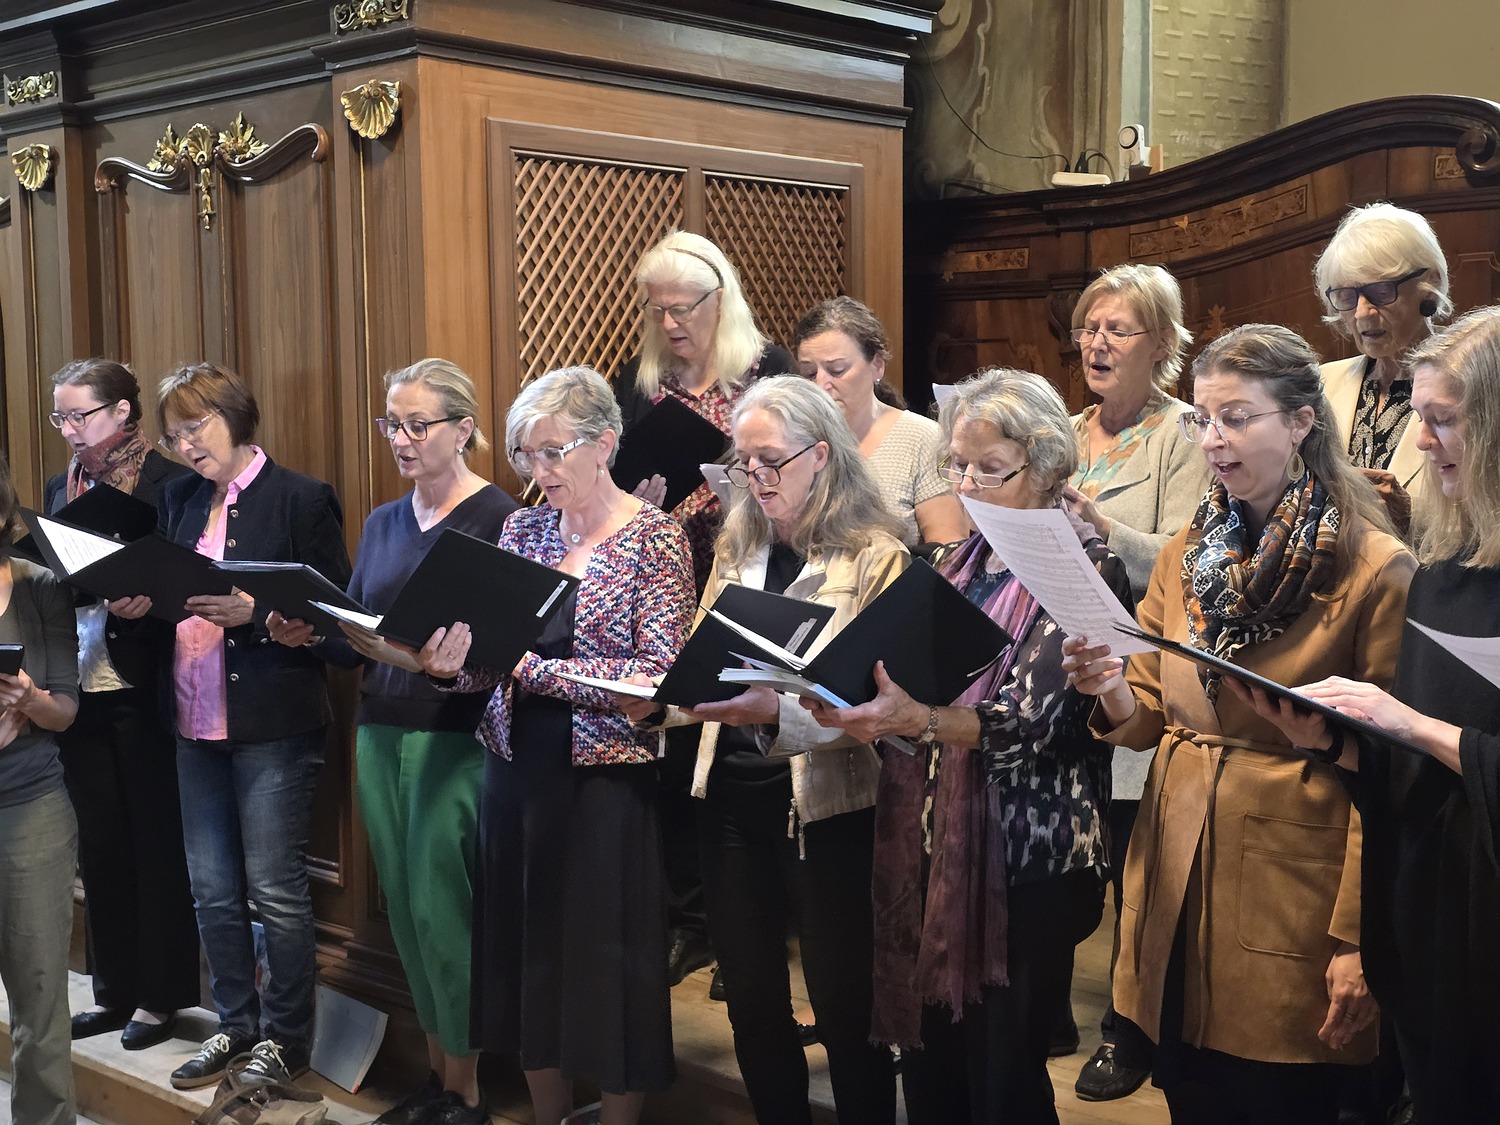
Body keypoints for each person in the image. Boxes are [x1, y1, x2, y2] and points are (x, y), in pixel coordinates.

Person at [1062, 324, 1415, 1125]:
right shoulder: (1189, 552)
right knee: (1191, 1093)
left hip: (1295, 885)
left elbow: (1391, 775)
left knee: (1281, 1100)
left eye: (1236, 417)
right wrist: (1109, 686)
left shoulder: (1374, 565)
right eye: (1201, 418)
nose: (1212, 438)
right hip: (1176, 867)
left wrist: (1357, 939)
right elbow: (1146, 715)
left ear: (1299, 422)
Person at [800, 367, 1129, 1124]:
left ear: (1045, 468)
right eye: (958, 466)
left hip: (1030, 859)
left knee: (1004, 1079)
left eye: (990, 469)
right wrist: (850, 696)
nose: (968, 486)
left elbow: (1031, 723)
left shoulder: (1086, 565)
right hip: (937, 843)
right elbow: (912, 675)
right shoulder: (957, 562)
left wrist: (914, 718)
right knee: (934, 1067)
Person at [623, 375, 907, 1125]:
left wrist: (774, 709)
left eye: (772, 461)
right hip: (729, 796)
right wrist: (658, 702)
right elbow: (702, 665)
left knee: (845, 1002)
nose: (757, 478)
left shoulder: (875, 556)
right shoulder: (737, 545)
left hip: (829, 804)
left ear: (822, 455)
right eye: (745, 463)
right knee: (750, 998)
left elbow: (873, 708)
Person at [419, 366, 694, 1125]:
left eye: (552, 451)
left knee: (607, 961)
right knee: (529, 955)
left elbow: (653, 680)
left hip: (604, 780)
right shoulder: (524, 530)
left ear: (604, 444)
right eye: (526, 455)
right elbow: (491, 657)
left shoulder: (655, 538)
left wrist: (532, 669)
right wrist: (449, 665)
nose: (538, 471)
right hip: (515, 770)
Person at [266, 359, 516, 1125]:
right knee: (404, 908)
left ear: (463, 429)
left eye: (417, 424)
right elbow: (357, 639)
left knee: (445, 910)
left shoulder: (499, 517)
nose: (401, 439)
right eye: (391, 424)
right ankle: (437, 1078)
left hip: (454, 734)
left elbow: (503, 649)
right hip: (380, 726)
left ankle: (466, 1088)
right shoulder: (381, 520)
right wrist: (307, 631)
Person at [114, 362, 352, 1091]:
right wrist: (138, 603)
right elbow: (173, 597)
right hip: (192, 719)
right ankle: (235, 1023)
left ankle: (285, 1039)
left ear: (236, 416)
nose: (188, 446)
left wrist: (261, 615)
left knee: (275, 890)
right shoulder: (180, 498)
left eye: (198, 428)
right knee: (212, 891)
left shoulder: (300, 497)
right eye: (175, 435)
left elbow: (340, 626)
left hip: (272, 724)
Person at [1290, 305, 1500, 1120]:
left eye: (1444, 421)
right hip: (1436, 924)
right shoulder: (1443, 574)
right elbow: (1418, 770)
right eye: (1418, 415)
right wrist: (1339, 743)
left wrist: (1411, 725)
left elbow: (1436, 735)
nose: (1420, 441)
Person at [615, 230, 794, 989]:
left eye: (683, 308)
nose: (670, 323)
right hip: (666, 588)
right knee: (676, 756)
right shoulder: (640, 384)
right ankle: (692, 921)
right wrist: (635, 501)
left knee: (745, 753)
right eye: (657, 310)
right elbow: (615, 484)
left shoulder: (768, 371)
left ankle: (748, 924)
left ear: (721, 300)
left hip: (751, 580)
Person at [1061, 263, 1211, 1100]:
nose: (1098, 342)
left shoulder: (1183, 432)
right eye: (1089, 327)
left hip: (1137, 671)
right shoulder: (1063, 429)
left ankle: (1130, 1029)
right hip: (1057, 666)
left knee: (1131, 863)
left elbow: (1189, 558)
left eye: (1117, 329)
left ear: (1161, 344)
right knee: (1061, 854)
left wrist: (1101, 525)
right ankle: (1047, 1007)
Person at [43, 359, 200, 1052]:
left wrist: (145, 598)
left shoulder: (168, 482)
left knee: (153, 841)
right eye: (61, 417)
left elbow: (188, 579)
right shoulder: (63, 485)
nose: (70, 430)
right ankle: (113, 990)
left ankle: (159, 997)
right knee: (100, 842)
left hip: (145, 676)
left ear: (123, 412)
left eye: (80, 415)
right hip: (79, 683)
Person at [0, 450, 82, 1125]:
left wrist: (28, 697)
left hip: (29, 803)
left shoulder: (39, 585)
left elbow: (65, 710)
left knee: (40, 996)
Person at [1314, 202, 1453, 533]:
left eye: (1380, 291)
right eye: (1347, 296)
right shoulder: (1321, 384)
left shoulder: (1473, 382)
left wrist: (1411, 517)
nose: (1362, 313)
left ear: (1430, 283)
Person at [791, 296, 968, 549]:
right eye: (809, 373)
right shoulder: (793, 438)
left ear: (877, 366)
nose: (821, 385)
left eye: (837, 370)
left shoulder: (921, 438)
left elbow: (947, 548)